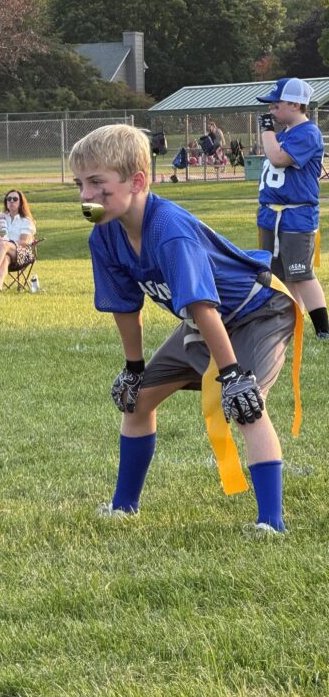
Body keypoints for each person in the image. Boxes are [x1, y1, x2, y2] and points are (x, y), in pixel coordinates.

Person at [69, 123, 299, 534]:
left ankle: (272, 522)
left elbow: (201, 304)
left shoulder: (168, 230)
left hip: (258, 310)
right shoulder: (104, 235)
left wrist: (231, 374)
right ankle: (124, 506)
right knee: (136, 401)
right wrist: (134, 368)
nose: (86, 196)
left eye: (96, 183)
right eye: (80, 184)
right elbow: (125, 306)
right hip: (206, 318)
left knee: (244, 404)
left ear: (137, 180)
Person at [255, 76, 329, 340]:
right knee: (280, 275)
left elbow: (278, 158)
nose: (271, 109)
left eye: (277, 104)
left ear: (296, 105)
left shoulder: (308, 133)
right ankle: (290, 323)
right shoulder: (285, 133)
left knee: (301, 274)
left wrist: (266, 131)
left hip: (296, 216)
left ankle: (323, 329)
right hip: (272, 215)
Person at [0, 190, 36, 292]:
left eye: (15, 199)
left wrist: (8, 244)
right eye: (9, 199)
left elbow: (24, 242)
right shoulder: (2, 216)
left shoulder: (25, 220)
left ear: (20, 202)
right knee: (5, 258)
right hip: (3, 253)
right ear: (6, 202)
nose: (11, 201)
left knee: (3, 244)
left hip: (21, 253)